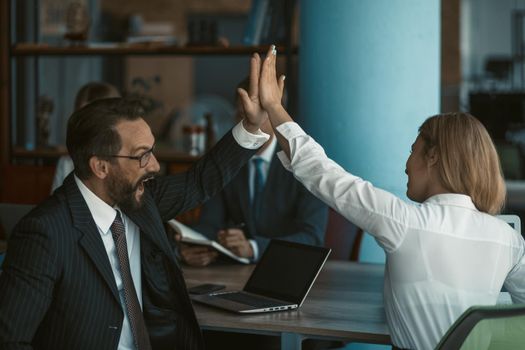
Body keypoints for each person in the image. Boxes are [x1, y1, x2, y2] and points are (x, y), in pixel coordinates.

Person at [237, 46, 525, 350]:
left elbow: (320, 172)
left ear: (433, 156)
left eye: (413, 150)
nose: (406, 164)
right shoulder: (509, 239)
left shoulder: (406, 223)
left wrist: (273, 105)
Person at [0, 96, 270, 349]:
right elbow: (11, 340)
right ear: (101, 167)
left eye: (151, 151)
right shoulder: (44, 233)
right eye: (142, 155)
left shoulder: (140, 199)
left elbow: (200, 180)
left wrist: (250, 125)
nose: (154, 166)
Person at [178, 80, 328, 267]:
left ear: (277, 117)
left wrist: (254, 247)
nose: (249, 124)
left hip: (289, 269)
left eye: (257, 116)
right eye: (243, 116)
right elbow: (210, 223)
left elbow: (312, 237)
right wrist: (192, 246)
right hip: (235, 273)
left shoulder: (304, 163)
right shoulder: (225, 161)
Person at [51, 81, 121, 192]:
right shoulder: (67, 163)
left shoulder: (125, 160)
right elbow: (54, 204)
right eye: (81, 117)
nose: (86, 125)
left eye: (93, 118)